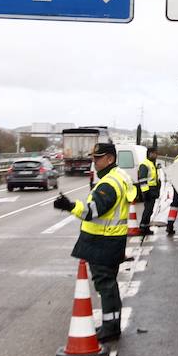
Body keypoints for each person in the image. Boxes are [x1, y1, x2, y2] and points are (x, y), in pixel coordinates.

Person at [53, 142, 135, 343]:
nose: (94, 162)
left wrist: (69, 205)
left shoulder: (109, 183)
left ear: (110, 159)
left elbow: (91, 212)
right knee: (109, 285)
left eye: (98, 158)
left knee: (105, 285)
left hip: (102, 242)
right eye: (93, 158)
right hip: (113, 240)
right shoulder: (120, 176)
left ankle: (110, 329)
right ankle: (112, 325)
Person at [138, 147, 160, 236]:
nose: (156, 155)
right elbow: (142, 179)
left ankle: (146, 227)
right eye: (154, 153)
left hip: (153, 189)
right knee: (148, 210)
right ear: (149, 154)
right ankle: (143, 227)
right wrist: (145, 192)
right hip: (148, 190)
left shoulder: (152, 163)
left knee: (150, 210)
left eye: (156, 153)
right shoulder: (145, 164)